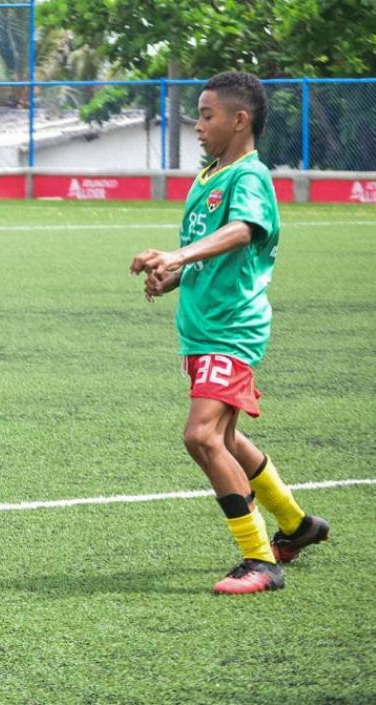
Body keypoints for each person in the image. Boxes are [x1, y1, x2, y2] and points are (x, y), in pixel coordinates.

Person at [131, 71, 328, 595]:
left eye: (207, 114)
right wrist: (172, 276)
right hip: (202, 328)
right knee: (225, 437)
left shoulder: (249, 176)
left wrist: (175, 254)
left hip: (230, 328)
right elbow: (214, 254)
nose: (197, 125)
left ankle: (260, 561)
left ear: (240, 120)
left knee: (201, 436)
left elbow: (243, 232)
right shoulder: (209, 178)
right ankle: (296, 524)